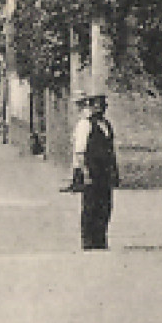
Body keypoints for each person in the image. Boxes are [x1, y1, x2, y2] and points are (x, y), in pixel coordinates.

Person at [66, 92, 120, 250]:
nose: (100, 108)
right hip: (91, 169)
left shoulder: (107, 124)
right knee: (91, 205)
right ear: (91, 106)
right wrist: (85, 172)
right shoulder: (85, 124)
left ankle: (100, 238)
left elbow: (110, 149)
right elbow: (80, 150)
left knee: (105, 205)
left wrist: (114, 170)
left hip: (105, 170)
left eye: (103, 105)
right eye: (96, 105)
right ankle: (88, 240)